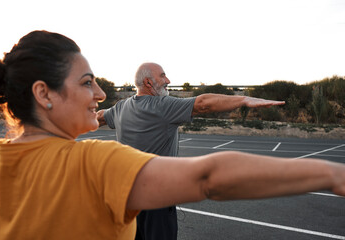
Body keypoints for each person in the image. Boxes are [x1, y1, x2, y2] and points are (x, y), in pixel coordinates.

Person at [0, 31, 344, 240]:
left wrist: (90, 117)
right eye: (86, 82)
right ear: (43, 94)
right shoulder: (95, 161)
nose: (98, 93)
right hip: (148, 198)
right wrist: (331, 173)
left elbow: (103, 115)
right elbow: (209, 174)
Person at [96, 62, 286, 240]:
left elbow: (99, 117)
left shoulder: (120, 108)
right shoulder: (162, 106)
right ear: (148, 82)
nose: (168, 81)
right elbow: (203, 103)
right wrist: (244, 99)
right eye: (163, 76)